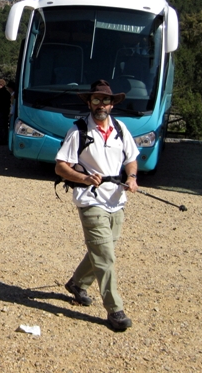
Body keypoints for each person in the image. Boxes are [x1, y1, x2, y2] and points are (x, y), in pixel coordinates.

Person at [55, 79, 139, 332]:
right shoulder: (78, 130)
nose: (101, 104)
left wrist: (132, 178)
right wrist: (84, 178)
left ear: (112, 104)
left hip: (116, 200)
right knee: (105, 256)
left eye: (105, 100)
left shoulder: (121, 129)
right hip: (90, 200)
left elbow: (131, 159)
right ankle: (115, 310)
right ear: (89, 103)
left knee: (104, 249)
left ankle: (78, 284)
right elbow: (60, 166)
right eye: (96, 100)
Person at [0, 79, 11, 145]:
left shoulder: (2, 93)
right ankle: (4, 139)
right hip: (4, 111)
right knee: (4, 126)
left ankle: (1, 140)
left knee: (0, 126)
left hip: (2, 111)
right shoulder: (5, 93)